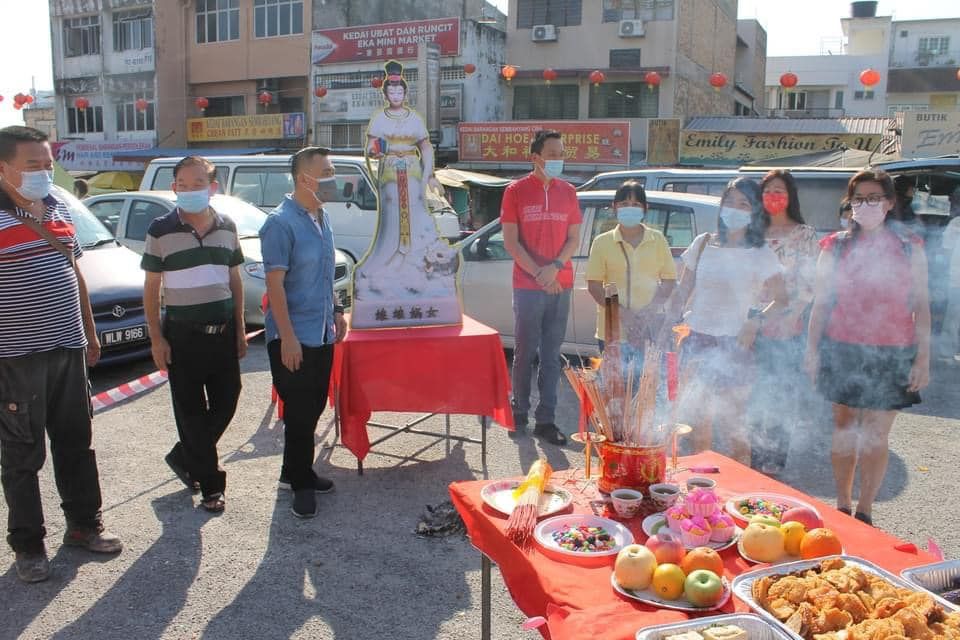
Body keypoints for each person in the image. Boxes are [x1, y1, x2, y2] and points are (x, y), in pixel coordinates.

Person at [0, 125, 122, 583]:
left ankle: (84, 526)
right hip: (16, 357)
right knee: (22, 455)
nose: (43, 172)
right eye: (32, 165)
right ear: (3, 168)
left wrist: (89, 333)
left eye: (48, 163)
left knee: (76, 443)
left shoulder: (57, 207)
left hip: (67, 347)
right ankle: (29, 546)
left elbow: (74, 273)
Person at [805, 169, 930, 526]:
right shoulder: (835, 246)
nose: (866, 205)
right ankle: (842, 504)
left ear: (889, 203)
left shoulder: (909, 246)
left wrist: (923, 359)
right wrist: (812, 351)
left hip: (893, 351)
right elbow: (820, 303)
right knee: (844, 427)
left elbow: (921, 304)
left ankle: (865, 510)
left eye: (874, 198)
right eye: (859, 199)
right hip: (842, 347)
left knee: (876, 435)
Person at [142, 156, 246, 514]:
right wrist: (157, 337)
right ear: (174, 188)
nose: (189, 190)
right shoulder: (160, 229)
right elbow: (151, 287)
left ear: (213, 187)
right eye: (182, 185)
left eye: (198, 183)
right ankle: (211, 485)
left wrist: (240, 329)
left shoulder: (227, 226)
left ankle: (185, 455)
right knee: (191, 411)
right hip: (182, 335)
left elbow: (234, 280)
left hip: (222, 332)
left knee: (228, 400)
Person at [668, 178, 786, 465]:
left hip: (736, 344)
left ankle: (739, 486)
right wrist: (667, 322)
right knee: (699, 426)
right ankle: (702, 486)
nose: (734, 209)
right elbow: (684, 289)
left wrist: (754, 323)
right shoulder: (703, 243)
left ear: (755, 211)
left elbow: (783, 299)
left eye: (743, 204)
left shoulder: (761, 253)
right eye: (729, 202)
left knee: (734, 428)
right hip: (697, 340)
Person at [260, 147, 346, 519]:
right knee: (298, 412)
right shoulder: (280, 224)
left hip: (321, 331)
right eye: (325, 172)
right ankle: (301, 485)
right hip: (293, 334)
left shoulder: (322, 217)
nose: (332, 178)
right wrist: (288, 338)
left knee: (312, 407)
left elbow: (326, 273)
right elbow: (275, 286)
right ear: (303, 178)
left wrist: (337, 310)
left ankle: (293, 471)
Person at [352, 59, 458, 318]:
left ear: (405, 93)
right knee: (391, 217)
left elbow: (425, 147)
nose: (396, 95)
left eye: (400, 91)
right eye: (392, 91)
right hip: (390, 171)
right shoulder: (380, 119)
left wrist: (429, 174)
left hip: (411, 171)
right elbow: (371, 148)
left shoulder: (414, 119)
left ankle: (415, 261)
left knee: (416, 212)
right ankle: (389, 262)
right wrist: (378, 150)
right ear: (386, 94)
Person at [501, 129, 582, 446]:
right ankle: (518, 413)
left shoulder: (569, 192)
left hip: (560, 284)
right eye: (552, 155)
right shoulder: (515, 191)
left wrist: (555, 268)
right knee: (524, 352)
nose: (558, 160)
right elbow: (511, 242)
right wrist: (539, 274)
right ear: (535, 158)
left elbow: (573, 238)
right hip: (527, 285)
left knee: (551, 355)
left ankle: (546, 420)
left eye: (561, 154)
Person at [749, 170, 820, 476]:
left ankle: (775, 464)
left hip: (787, 328)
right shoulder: (752, 233)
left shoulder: (804, 234)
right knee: (751, 394)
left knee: (781, 397)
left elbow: (810, 282)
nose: (773, 196)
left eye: (779, 190)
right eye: (767, 191)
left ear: (790, 196)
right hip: (750, 326)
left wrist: (791, 316)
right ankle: (752, 462)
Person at [585, 179, 676, 354]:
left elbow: (669, 281)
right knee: (614, 374)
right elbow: (594, 286)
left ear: (645, 208)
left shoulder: (657, 240)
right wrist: (624, 315)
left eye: (636, 204)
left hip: (648, 332)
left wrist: (647, 314)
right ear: (614, 207)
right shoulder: (602, 242)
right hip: (612, 333)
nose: (630, 208)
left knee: (648, 373)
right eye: (624, 204)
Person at [939, 186, 960, 361]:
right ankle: (947, 353)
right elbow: (946, 250)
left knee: (954, 317)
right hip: (957, 280)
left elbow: (946, 250)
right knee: (954, 317)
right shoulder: (956, 224)